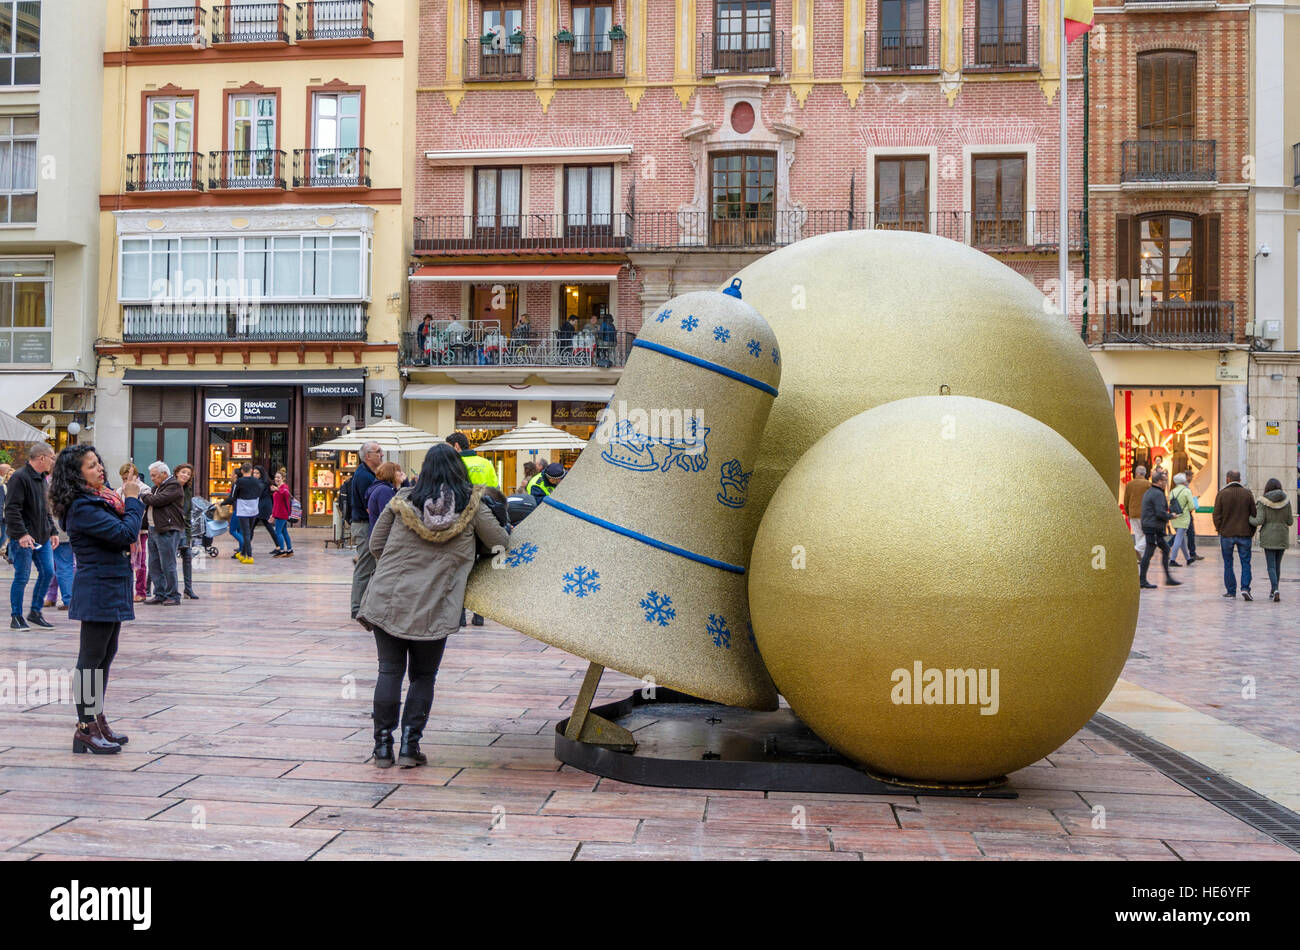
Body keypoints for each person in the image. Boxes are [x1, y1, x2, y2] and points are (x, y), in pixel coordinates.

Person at [356, 443, 509, 768]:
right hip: (437, 602)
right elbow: (500, 543)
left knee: (389, 671)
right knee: (423, 677)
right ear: (459, 471)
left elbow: (375, 545)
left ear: (424, 470)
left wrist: (401, 571)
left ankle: (383, 748)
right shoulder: (473, 505)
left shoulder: (400, 501)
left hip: (390, 598)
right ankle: (411, 747)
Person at [49, 445, 143, 755]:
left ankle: (97, 721)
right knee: (90, 660)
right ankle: (85, 728)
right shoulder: (83, 507)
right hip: (98, 586)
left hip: (111, 583)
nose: (99, 468)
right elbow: (125, 533)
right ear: (76, 475)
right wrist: (132, 499)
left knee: (105, 655)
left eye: (98, 462)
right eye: (91, 466)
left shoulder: (99, 500)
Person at [5, 443, 59, 629]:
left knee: (48, 572)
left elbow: (45, 509)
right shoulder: (20, 477)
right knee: (23, 575)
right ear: (41, 458)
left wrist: (52, 530)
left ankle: (35, 612)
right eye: (51, 457)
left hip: (42, 536)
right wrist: (21, 534)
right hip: (24, 538)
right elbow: (12, 509)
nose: (53, 461)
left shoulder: (42, 479)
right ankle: (16, 616)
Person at [141, 461, 185, 606]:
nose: (152, 478)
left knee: (168, 564)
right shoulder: (157, 487)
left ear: (164, 474)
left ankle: (173, 594)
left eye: (154, 475)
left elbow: (157, 500)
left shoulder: (173, 485)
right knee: (154, 564)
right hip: (154, 528)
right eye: (151, 476)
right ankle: (160, 593)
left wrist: (143, 496)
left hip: (167, 529)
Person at [349, 440, 383, 619]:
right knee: (365, 566)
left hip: (365, 524)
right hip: (363, 525)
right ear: (368, 456)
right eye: (379, 451)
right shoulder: (364, 477)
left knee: (369, 565)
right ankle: (357, 608)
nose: (382, 454)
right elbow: (370, 506)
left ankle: (365, 605)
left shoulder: (369, 474)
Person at [1212, 470, 1256, 600]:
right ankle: (1245, 588)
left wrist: (1220, 529)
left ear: (1228, 479)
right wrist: (1251, 531)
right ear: (1240, 480)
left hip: (1227, 534)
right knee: (1246, 562)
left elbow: (1216, 515)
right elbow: (1254, 514)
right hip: (1244, 533)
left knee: (1228, 563)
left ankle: (1231, 590)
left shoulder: (1221, 494)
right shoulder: (1247, 494)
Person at [1249, 478, 1293, 603]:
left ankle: (1275, 590)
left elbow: (1259, 521)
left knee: (1271, 566)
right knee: (1277, 565)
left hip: (1268, 536)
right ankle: (1274, 590)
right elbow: (1290, 521)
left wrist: (1249, 519)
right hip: (1282, 536)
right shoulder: (1287, 501)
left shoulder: (1263, 501)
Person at [1138, 471, 1181, 590]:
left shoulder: (1149, 492)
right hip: (1154, 527)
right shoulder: (1157, 494)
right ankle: (1142, 580)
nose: (1166, 483)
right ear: (1159, 481)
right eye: (1165, 481)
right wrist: (1171, 516)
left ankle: (1167, 577)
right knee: (1149, 552)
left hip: (1150, 526)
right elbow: (1159, 513)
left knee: (1165, 549)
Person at [117, 463, 151, 602]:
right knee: (126, 561)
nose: (125, 481)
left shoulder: (144, 489)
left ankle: (141, 591)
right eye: (123, 478)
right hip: (125, 528)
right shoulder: (120, 490)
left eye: (127, 477)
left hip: (140, 529)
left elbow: (142, 509)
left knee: (140, 560)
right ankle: (127, 590)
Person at [224, 462, 263, 564]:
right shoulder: (256, 481)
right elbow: (260, 492)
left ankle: (249, 556)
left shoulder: (239, 482)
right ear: (251, 471)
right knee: (248, 532)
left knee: (246, 533)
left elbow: (233, 497)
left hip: (243, 509)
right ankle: (242, 554)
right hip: (254, 509)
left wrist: (222, 503)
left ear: (242, 471)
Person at [175, 463, 199, 599]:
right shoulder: (171, 487)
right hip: (171, 528)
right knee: (165, 559)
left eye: (188, 474)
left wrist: (189, 535)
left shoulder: (188, 491)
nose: (185, 475)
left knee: (187, 557)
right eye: (183, 472)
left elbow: (188, 514)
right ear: (177, 472)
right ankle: (153, 587)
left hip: (183, 529)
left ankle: (188, 589)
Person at [1121, 466, 1151, 558]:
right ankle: (1138, 549)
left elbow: (1126, 500)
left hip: (1133, 513)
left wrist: (1127, 512)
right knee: (1149, 534)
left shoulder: (1130, 484)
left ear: (1136, 473)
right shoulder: (1148, 484)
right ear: (1145, 473)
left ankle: (1139, 556)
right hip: (1146, 513)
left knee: (1138, 535)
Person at [1166, 472, 1196, 567]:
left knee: (1181, 539)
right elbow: (1192, 506)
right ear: (1184, 481)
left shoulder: (1172, 491)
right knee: (1178, 540)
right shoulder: (1187, 491)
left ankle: (1188, 558)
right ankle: (1172, 560)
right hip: (1184, 518)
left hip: (1174, 517)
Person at [365, 462, 405, 527]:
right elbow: (389, 517)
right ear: (390, 473)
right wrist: (405, 483)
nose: (402, 473)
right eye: (398, 471)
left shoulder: (384, 488)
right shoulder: (384, 491)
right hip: (383, 535)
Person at [252, 465, 280, 554]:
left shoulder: (262, 482)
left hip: (262, 507)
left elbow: (258, 492)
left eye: (257, 473)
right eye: (254, 473)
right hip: (263, 506)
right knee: (266, 527)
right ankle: (278, 546)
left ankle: (244, 546)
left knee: (252, 527)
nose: (255, 475)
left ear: (261, 474)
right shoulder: (262, 482)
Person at [270, 471, 295, 557]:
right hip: (278, 513)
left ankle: (281, 550)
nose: (276, 479)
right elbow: (276, 504)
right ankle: (289, 550)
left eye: (278, 477)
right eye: (275, 477)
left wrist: (277, 489)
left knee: (278, 532)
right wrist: (273, 515)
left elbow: (285, 493)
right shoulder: (279, 487)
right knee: (284, 532)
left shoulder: (284, 487)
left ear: (283, 478)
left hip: (282, 514)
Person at [1182, 468, 1204, 562]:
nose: (1191, 478)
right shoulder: (1185, 488)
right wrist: (1193, 502)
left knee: (1182, 534)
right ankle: (1192, 553)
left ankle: (1192, 552)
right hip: (1186, 513)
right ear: (1187, 476)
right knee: (1189, 533)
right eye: (1190, 476)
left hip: (1185, 513)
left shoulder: (1183, 487)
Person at [0, 462, 12, 560]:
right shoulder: (3, 486)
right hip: (4, 515)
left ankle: (8, 554)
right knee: (5, 535)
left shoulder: (11, 485)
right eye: (9, 473)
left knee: (7, 535)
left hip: (9, 515)